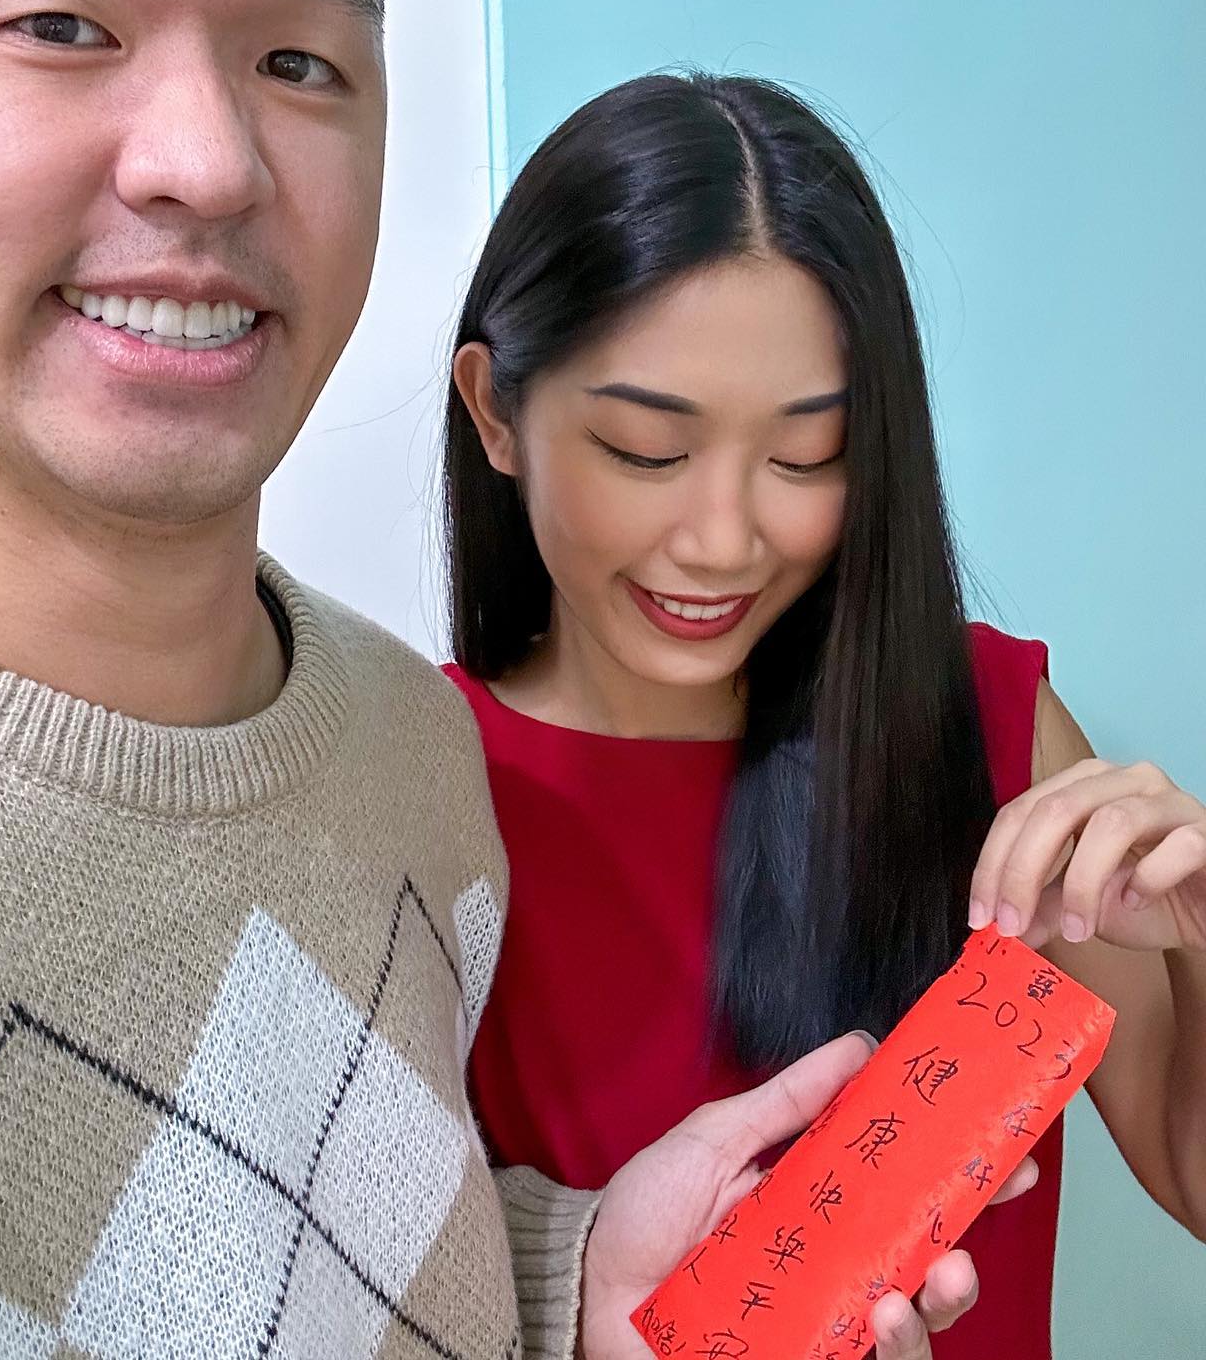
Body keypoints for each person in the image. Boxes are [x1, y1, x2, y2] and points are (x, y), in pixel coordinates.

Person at [0, 0, 1020, 1356]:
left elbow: (342, 1263)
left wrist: (573, 1280)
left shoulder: (406, 761)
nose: (208, 158)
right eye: (63, 25)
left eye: (299, 56)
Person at [446, 71, 1206, 1356]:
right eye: (646, 450)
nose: (724, 539)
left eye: (806, 457)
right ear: (495, 412)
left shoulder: (989, 730)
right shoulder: (421, 779)